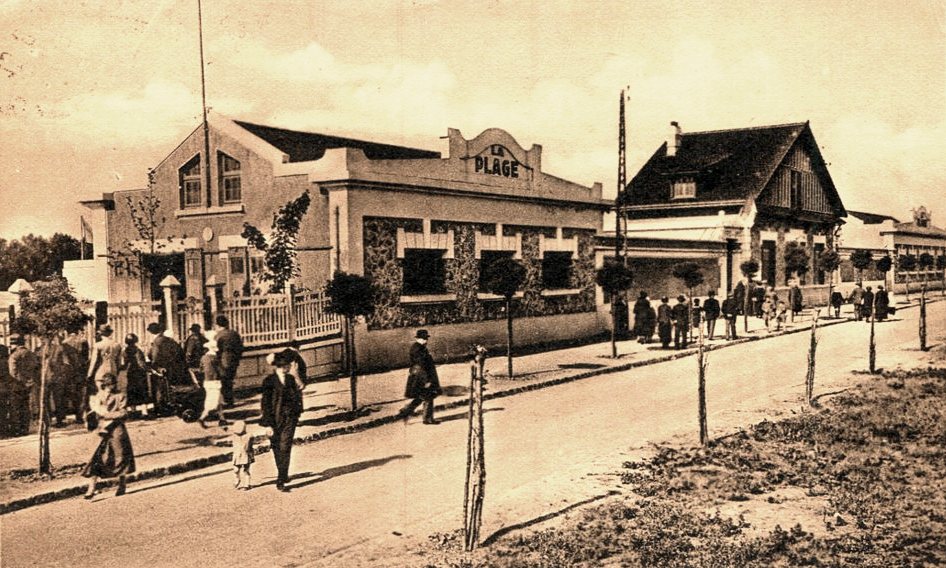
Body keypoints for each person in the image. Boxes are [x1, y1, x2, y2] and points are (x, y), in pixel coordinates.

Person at [83, 372, 136, 499]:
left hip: (117, 430)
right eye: (108, 385)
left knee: (120, 457)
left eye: (112, 385)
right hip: (102, 431)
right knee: (96, 459)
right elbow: (93, 413)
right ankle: (91, 488)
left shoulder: (120, 396)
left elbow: (123, 413)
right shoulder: (97, 397)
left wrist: (106, 415)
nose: (111, 387)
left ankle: (122, 484)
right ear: (104, 386)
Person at [259, 351, 303, 492]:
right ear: (279, 366)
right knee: (276, 447)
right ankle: (283, 473)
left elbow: (298, 395)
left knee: (285, 446)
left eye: (289, 365)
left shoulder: (290, 379)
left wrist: (297, 413)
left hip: (289, 418)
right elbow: (265, 404)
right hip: (274, 419)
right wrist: (268, 424)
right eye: (286, 365)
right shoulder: (269, 382)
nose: (289, 367)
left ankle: (281, 478)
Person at [398, 329, 443, 424]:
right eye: (424, 338)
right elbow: (422, 365)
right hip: (421, 377)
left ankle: (405, 411)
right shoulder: (418, 349)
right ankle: (427, 419)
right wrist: (427, 380)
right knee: (428, 396)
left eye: (426, 338)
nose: (426, 340)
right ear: (418, 338)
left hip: (419, 376)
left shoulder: (419, 347)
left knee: (422, 396)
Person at [146, 323, 184, 413]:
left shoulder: (157, 341)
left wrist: (154, 365)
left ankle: (160, 407)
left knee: (159, 387)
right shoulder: (168, 340)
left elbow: (154, 355)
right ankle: (169, 405)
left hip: (161, 367)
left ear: (151, 332)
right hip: (171, 367)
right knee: (168, 387)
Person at [9, 334, 40, 432]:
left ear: (15, 344)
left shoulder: (14, 355)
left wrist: (21, 381)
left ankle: (17, 429)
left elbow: (13, 372)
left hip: (17, 385)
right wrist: (30, 380)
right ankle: (25, 428)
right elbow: (36, 368)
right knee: (26, 406)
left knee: (16, 407)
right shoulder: (31, 353)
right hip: (30, 383)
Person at [214, 315, 244, 407]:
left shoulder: (218, 336)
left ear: (218, 325)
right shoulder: (234, 334)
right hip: (234, 361)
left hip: (222, 361)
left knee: (224, 381)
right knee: (229, 381)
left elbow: (215, 349)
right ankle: (230, 400)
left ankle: (227, 401)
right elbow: (240, 348)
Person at [198, 331, 225, 428]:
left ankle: (222, 419)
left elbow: (201, 369)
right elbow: (220, 371)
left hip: (207, 381)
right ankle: (202, 417)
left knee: (218, 400)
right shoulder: (215, 358)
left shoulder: (204, 357)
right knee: (212, 402)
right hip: (215, 381)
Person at [63, 327, 90, 424]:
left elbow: (65, 360)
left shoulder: (64, 343)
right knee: (80, 394)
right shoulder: (83, 341)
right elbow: (86, 357)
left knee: (70, 394)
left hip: (69, 372)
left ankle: (66, 415)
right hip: (81, 371)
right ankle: (79, 417)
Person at [120, 334, 150, 417]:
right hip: (139, 373)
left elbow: (124, 363)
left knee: (132, 391)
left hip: (130, 372)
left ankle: (133, 411)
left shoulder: (124, 351)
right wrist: (147, 369)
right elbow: (141, 363)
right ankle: (144, 412)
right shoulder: (138, 350)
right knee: (142, 391)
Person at [229, 419, 254, 490]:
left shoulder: (249, 436)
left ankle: (247, 484)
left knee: (246, 470)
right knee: (236, 470)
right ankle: (237, 479)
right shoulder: (234, 436)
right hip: (237, 455)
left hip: (246, 455)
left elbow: (251, 442)